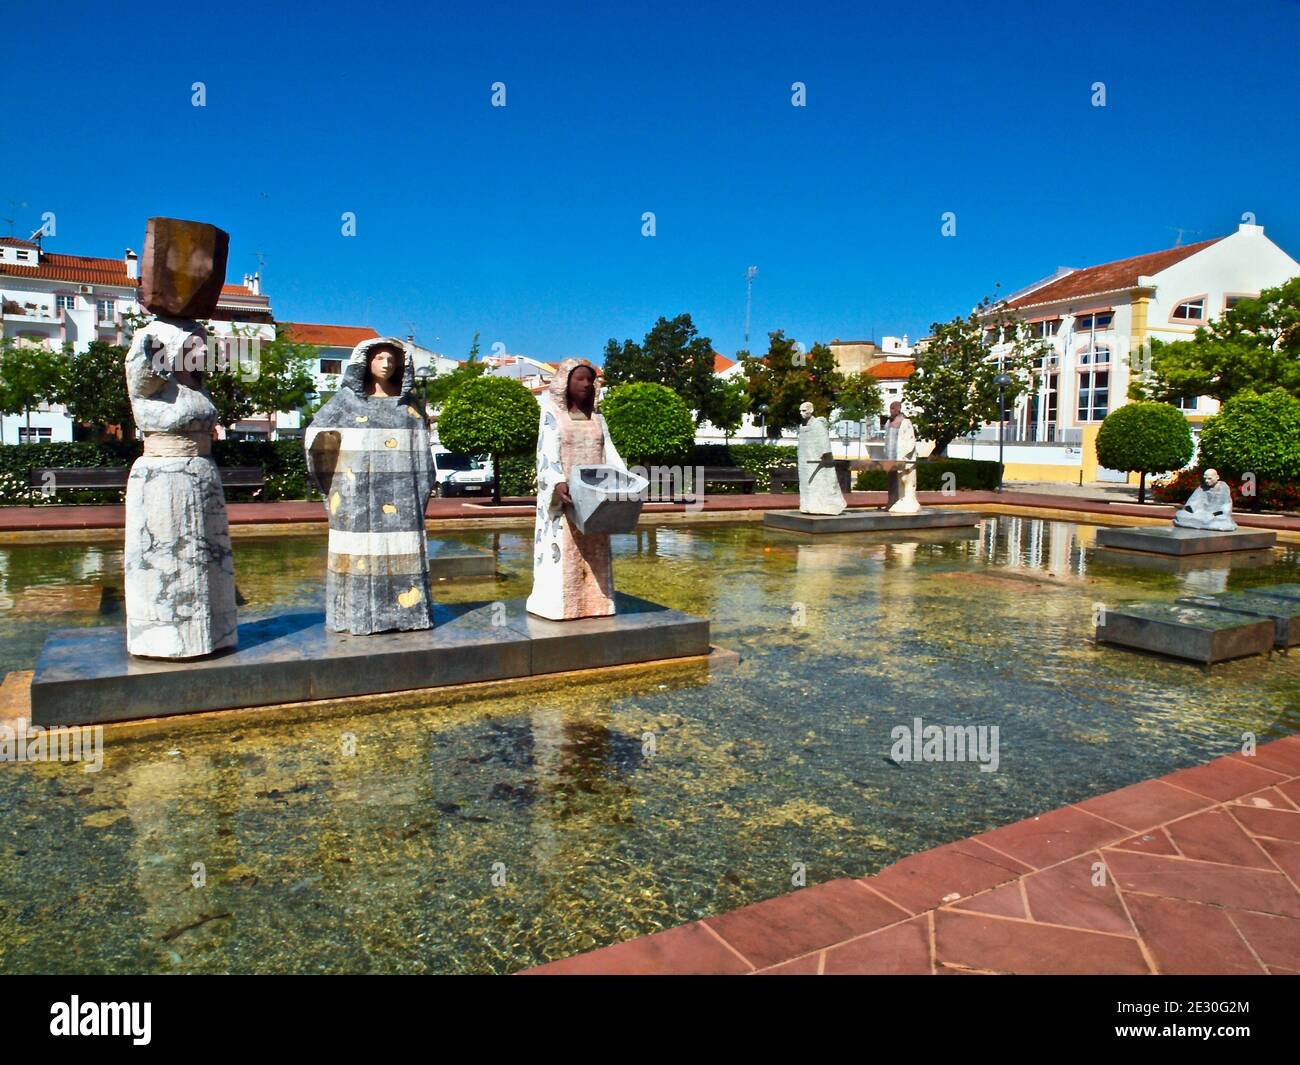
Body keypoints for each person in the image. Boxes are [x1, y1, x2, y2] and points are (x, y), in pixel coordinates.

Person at [123, 318, 238, 658]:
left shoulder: (197, 387)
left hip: (203, 475)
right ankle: (166, 639)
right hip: (165, 478)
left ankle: (213, 634)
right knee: (168, 558)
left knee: (206, 559)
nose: (204, 349)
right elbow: (144, 356)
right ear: (174, 346)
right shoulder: (152, 384)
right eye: (196, 341)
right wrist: (155, 345)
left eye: (204, 342)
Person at [305, 337, 435, 634]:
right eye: (379, 358)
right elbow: (316, 435)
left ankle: (408, 616)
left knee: (401, 551)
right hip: (358, 496)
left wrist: (422, 488)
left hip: (402, 498)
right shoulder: (345, 402)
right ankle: (359, 617)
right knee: (361, 552)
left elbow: (423, 452)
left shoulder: (411, 407)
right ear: (365, 362)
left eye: (392, 359)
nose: (386, 364)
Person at [526, 358, 628, 620]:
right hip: (566, 499)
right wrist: (557, 481)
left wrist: (624, 480)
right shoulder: (552, 416)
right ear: (565, 383)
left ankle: (597, 604)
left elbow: (610, 453)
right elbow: (546, 453)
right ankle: (560, 607)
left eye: (590, 380)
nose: (586, 384)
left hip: (596, 500)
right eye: (579, 379)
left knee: (596, 549)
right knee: (565, 552)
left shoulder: (598, 420)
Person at [796, 401, 846, 515]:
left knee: (821, 483)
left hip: (818, 461)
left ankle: (825, 506)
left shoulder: (818, 424)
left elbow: (824, 441)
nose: (801, 413)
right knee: (808, 485)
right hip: (805, 461)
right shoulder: (802, 426)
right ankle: (809, 505)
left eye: (804, 411)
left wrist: (824, 455)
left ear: (811, 410)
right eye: (800, 411)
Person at [884, 400, 920, 514]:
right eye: (890, 408)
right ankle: (893, 501)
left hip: (904, 459)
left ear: (899, 409)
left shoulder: (906, 422)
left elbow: (910, 440)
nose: (891, 411)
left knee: (906, 479)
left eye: (893, 408)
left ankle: (908, 500)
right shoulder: (888, 423)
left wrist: (904, 456)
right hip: (891, 459)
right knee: (893, 481)